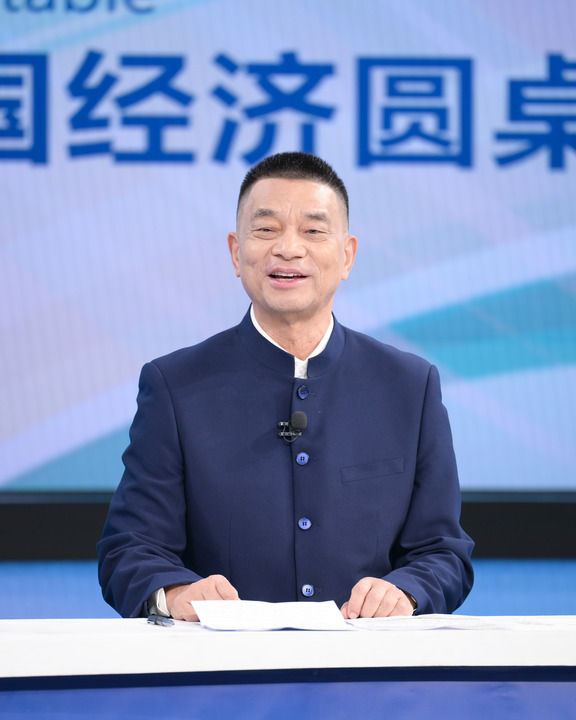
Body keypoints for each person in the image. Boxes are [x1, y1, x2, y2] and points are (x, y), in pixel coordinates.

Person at [98, 152, 474, 621]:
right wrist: (175, 594)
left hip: (366, 660)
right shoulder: (174, 386)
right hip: (221, 658)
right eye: (266, 229)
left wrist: (407, 591)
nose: (289, 249)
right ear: (236, 252)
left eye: (313, 231)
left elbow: (443, 552)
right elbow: (129, 549)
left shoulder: (409, 387)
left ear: (347, 255)